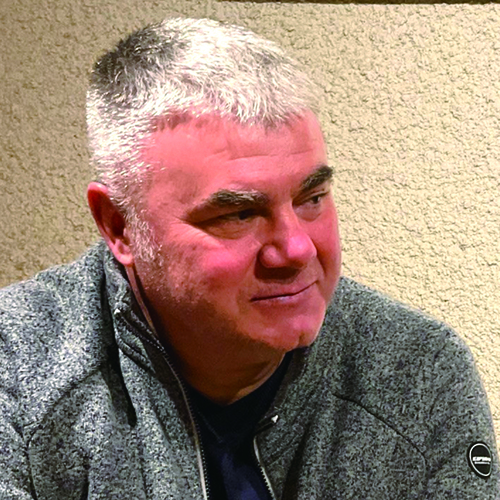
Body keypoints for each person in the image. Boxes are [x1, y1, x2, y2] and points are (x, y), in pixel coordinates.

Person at [0, 17, 498, 500]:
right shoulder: (19, 372)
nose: (297, 249)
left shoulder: (417, 373)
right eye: (239, 214)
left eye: (312, 198)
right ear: (119, 225)